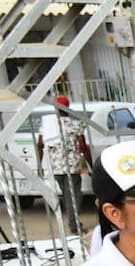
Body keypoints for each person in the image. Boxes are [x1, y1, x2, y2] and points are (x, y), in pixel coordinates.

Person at [36, 96, 91, 233]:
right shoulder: (75, 124)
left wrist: (40, 165)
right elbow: (83, 146)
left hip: (55, 166)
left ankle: (73, 221)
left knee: (67, 195)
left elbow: (40, 145)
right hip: (72, 166)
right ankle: (74, 224)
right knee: (74, 195)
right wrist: (90, 164)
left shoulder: (47, 126)